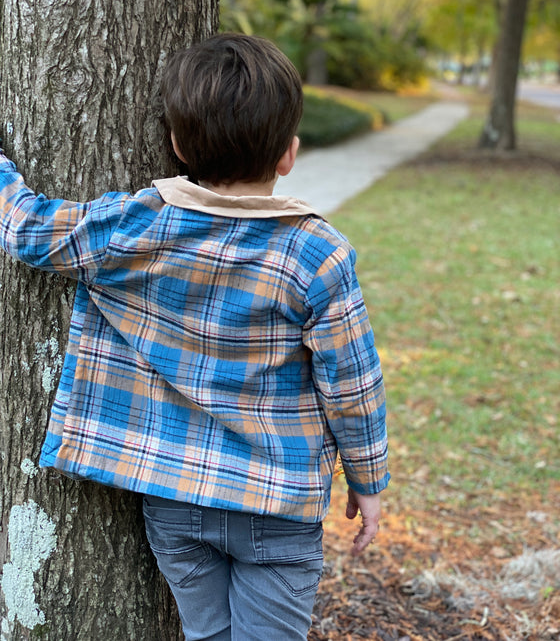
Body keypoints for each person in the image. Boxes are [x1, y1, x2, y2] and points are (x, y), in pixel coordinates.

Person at [0, 33, 389, 640]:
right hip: (276, 503)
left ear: (178, 145)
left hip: (173, 493)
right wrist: (368, 481)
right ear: (289, 153)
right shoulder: (316, 255)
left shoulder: (137, 225)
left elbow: (28, 230)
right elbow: (354, 387)